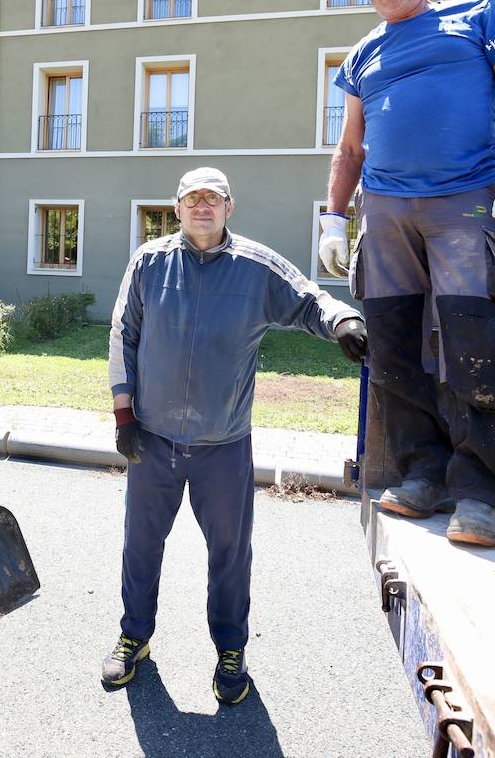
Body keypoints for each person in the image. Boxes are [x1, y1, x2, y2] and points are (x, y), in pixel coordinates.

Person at [318, 0, 495, 548]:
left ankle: (480, 493)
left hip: (464, 202)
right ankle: (422, 473)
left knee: (472, 338)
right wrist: (333, 216)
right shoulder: (362, 54)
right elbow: (350, 146)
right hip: (385, 211)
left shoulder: (477, 16)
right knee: (393, 343)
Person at [104, 167, 367, 703]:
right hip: (152, 439)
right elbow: (122, 334)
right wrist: (124, 415)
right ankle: (134, 635)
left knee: (229, 552)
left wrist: (342, 321)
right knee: (141, 545)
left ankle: (230, 648)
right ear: (177, 208)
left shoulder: (255, 266)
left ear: (230, 207)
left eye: (213, 198)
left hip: (223, 445)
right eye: (192, 198)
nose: (202, 206)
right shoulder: (149, 262)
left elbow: (309, 298)